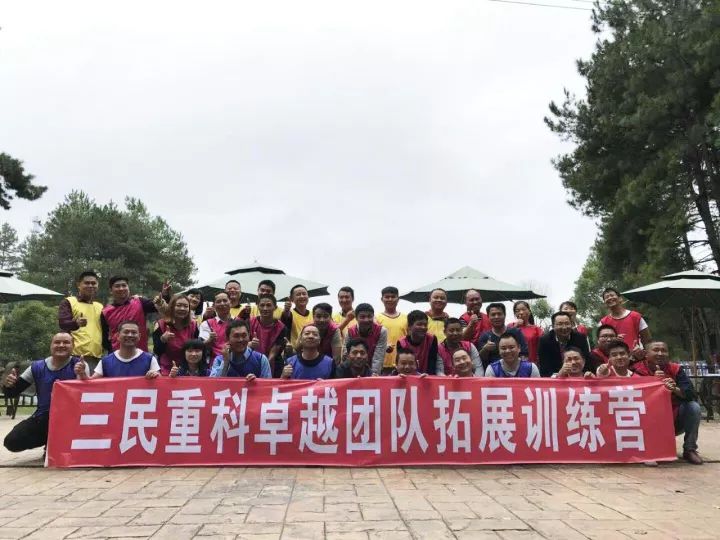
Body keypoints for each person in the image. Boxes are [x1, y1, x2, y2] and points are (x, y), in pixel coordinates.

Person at [2, 333, 89, 453]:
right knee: (12, 441)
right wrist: (8, 385)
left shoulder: (80, 365)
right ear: (51, 345)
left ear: (73, 346)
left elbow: (86, 397)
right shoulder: (36, 367)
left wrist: (82, 376)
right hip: (43, 418)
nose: (61, 345)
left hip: (71, 419)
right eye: (57, 342)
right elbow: (12, 393)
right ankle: (50, 440)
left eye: (66, 342)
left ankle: (58, 443)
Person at [632, 340, 703, 464]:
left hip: (673, 419)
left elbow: (690, 394)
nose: (660, 353)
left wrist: (674, 388)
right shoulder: (636, 369)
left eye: (664, 350)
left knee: (694, 407)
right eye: (656, 350)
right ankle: (645, 449)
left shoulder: (675, 369)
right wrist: (653, 382)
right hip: (646, 420)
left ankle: (690, 449)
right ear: (646, 354)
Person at [101, 275, 165, 355]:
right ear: (111, 290)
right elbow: (104, 338)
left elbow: (157, 306)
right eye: (117, 286)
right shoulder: (106, 312)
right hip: (117, 355)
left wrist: (165, 295)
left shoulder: (139, 302)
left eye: (124, 285)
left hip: (141, 354)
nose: (121, 288)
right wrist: (112, 349)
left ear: (128, 288)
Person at [78, 320, 160, 379]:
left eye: (134, 332)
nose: (130, 335)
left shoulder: (149, 359)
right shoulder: (105, 361)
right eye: (126, 332)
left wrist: (155, 375)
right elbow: (92, 383)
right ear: (118, 336)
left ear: (139, 336)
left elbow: (160, 381)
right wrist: (82, 374)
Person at [58, 270, 104, 372]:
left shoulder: (99, 306)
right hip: (75, 356)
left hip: (97, 357)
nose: (90, 286)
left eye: (93, 283)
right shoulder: (69, 301)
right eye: (87, 283)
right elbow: (62, 323)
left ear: (97, 285)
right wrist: (76, 323)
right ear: (79, 285)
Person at [152, 294, 199, 376]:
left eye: (185, 306)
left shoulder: (194, 325)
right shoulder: (160, 324)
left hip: (188, 369)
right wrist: (162, 340)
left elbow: (197, 348)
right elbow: (157, 351)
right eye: (178, 305)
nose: (182, 308)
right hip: (166, 368)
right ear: (171, 307)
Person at [537, 311, 591, 377]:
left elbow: (587, 362)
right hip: (555, 378)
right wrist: (559, 374)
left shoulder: (580, 338)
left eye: (567, 323)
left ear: (571, 324)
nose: (564, 327)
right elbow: (544, 370)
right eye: (560, 324)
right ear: (553, 326)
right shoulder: (545, 340)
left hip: (577, 377)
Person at [599, 287, 651, 354]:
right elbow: (601, 345)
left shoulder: (636, 316)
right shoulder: (603, 322)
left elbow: (647, 339)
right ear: (605, 303)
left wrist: (645, 353)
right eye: (607, 297)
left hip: (636, 357)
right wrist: (613, 341)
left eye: (612, 295)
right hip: (615, 358)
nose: (609, 298)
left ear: (620, 299)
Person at [477, 303, 529, 368]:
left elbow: (524, 355)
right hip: (493, 372)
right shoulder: (484, 336)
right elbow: (480, 359)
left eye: (499, 314)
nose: (496, 317)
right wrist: (485, 349)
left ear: (504, 315)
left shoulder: (516, 332)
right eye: (493, 315)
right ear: (488, 317)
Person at [249, 293, 288, 377]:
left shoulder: (281, 327)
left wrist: (264, 373)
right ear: (258, 307)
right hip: (251, 361)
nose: (265, 308)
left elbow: (273, 355)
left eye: (268, 305)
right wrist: (250, 344)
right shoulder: (249, 323)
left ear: (275, 307)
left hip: (273, 364)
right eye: (262, 305)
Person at [345, 303, 388, 375]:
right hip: (352, 371)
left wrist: (373, 376)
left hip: (373, 370)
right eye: (362, 317)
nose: (366, 320)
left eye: (369, 316)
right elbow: (346, 355)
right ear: (356, 318)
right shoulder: (350, 332)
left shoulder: (381, 331)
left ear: (373, 317)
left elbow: (378, 358)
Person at [397, 310, 443, 375]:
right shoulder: (401, 343)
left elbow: (432, 363)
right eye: (419, 324)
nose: (423, 327)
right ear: (410, 326)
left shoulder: (432, 339)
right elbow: (401, 365)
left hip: (427, 377)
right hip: (407, 376)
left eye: (425, 325)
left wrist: (428, 377)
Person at [376, 286, 408, 374]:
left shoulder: (406, 318)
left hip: (403, 364)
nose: (390, 299)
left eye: (393, 297)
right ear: (382, 299)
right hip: (382, 364)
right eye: (387, 297)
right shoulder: (377, 318)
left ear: (398, 299)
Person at [199, 291, 235, 358]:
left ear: (230, 303)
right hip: (215, 361)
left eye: (225, 300)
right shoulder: (206, 324)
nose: (222, 303)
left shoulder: (239, 321)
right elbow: (200, 346)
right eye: (218, 301)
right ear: (214, 305)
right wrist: (209, 340)